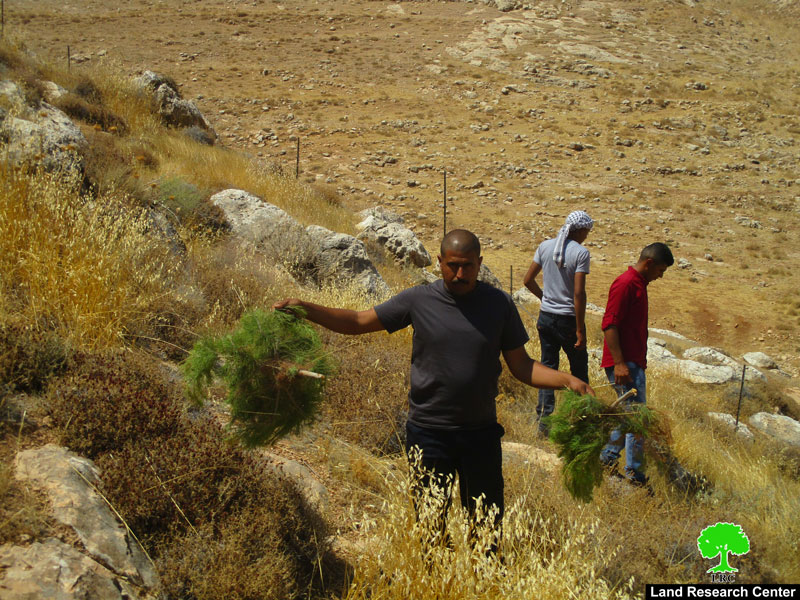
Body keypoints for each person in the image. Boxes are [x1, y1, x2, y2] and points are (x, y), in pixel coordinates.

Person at [273, 229, 594, 541]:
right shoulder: (418, 300)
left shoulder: (498, 305)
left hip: (480, 435)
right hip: (429, 434)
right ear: (439, 261)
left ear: (479, 263)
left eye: (468, 265)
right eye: (452, 265)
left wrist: (566, 380)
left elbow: (522, 366)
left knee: (487, 530)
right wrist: (306, 309)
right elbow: (358, 322)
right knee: (430, 528)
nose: (459, 272)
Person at [599, 242, 674, 486]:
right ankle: (635, 475)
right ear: (649, 263)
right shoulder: (626, 284)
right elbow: (609, 324)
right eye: (660, 271)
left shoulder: (638, 284)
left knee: (628, 416)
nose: (660, 277)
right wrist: (620, 364)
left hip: (632, 363)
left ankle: (606, 459)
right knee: (637, 419)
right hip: (625, 365)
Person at [523, 210, 594, 436]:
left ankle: (543, 422)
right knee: (579, 371)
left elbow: (527, 280)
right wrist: (580, 329)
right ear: (581, 230)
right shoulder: (581, 253)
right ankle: (580, 421)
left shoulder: (545, 246)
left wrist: (544, 298)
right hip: (568, 320)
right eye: (587, 232)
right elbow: (579, 294)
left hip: (546, 317)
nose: (587, 236)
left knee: (548, 368)